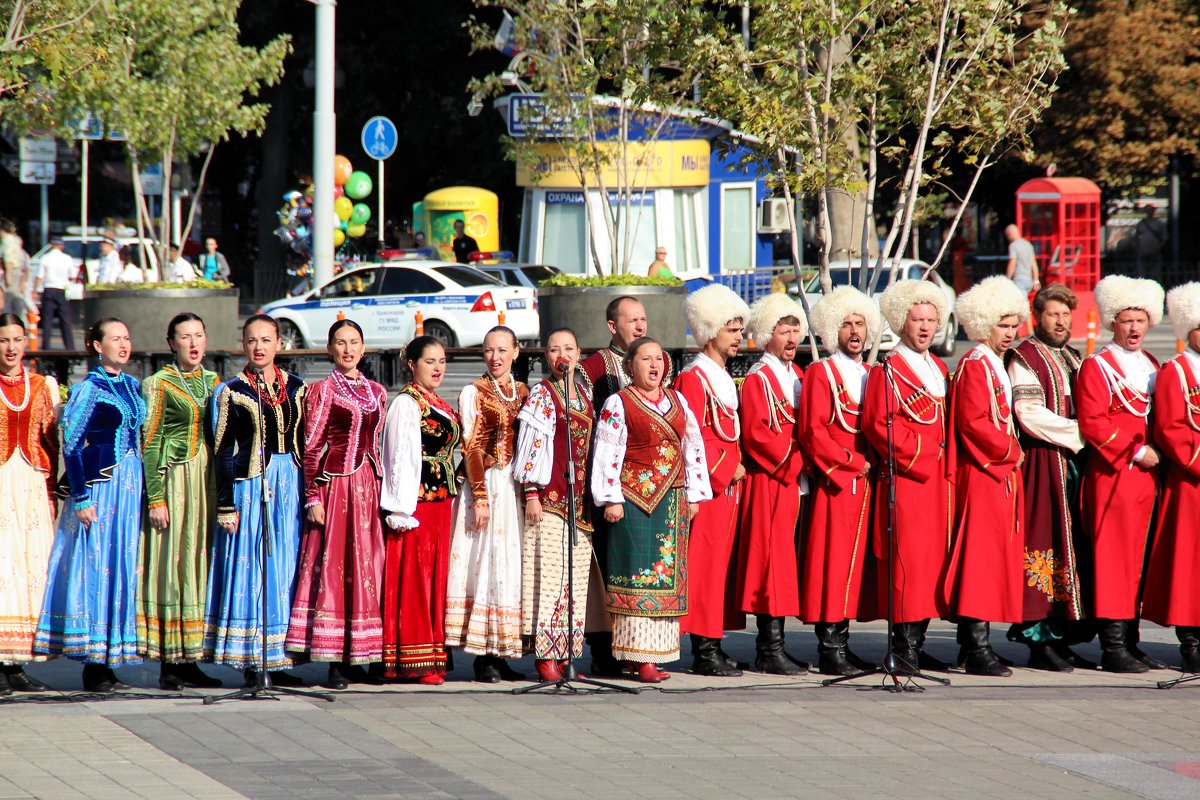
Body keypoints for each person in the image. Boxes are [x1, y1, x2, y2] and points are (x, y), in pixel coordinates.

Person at [35, 318, 146, 692]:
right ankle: (92, 664)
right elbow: (71, 444)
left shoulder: (132, 386)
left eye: (126, 337)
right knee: (98, 566)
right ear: (97, 345)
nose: (123, 344)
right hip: (102, 487)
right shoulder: (89, 388)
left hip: (129, 487)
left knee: (120, 568)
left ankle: (111, 658)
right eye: (115, 338)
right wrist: (80, 496)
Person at [591, 337, 711, 682]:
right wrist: (610, 497)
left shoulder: (678, 401)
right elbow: (607, 451)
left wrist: (694, 494)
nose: (654, 365)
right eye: (646, 359)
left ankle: (653, 654)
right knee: (636, 579)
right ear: (631, 366)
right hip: (633, 502)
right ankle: (636, 658)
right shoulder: (619, 403)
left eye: (659, 359)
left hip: (671, 502)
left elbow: (693, 446)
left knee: (664, 578)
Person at [205, 314, 307, 687]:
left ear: (279, 343)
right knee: (255, 567)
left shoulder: (296, 387)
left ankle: (281, 658)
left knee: (285, 565)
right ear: (244, 345)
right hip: (252, 485)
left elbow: (306, 444)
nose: (259, 347)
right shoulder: (231, 390)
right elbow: (222, 451)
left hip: (290, 484)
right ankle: (252, 660)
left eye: (266, 339)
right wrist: (225, 504)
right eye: (252, 340)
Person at [285, 319, 388, 690]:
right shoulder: (323, 390)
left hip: (368, 488)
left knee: (366, 568)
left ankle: (359, 654)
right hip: (337, 486)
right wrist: (312, 496)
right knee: (335, 567)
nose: (347, 349)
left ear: (363, 348)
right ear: (330, 349)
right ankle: (335, 662)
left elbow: (377, 445)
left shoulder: (377, 391)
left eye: (354, 342)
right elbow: (311, 447)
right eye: (340, 343)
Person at [578, 295, 673, 676]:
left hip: (649, 491)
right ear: (612, 326)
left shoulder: (654, 362)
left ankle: (637, 649)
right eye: (631, 320)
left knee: (639, 567)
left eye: (643, 319)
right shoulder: (593, 368)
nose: (640, 326)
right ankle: (604, 649)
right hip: (607, 486)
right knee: (606, 569)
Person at [1075, 275, 1165, 673]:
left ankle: (1131, 639)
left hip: (1146, 478)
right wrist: (1134, 450)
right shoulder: (1097, 365)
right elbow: (1092, 422)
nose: (1134, 328)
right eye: (1127, 320)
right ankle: (1112, 647)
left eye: (1141, 320)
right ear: (1112, 321)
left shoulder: (1151, 364)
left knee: (1139, 561)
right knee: (1114, 561)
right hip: (1114, 475)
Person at [863, 280, 953, 673]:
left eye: (931, 320)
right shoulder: (888, 369)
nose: (925, 327)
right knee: (907, 566)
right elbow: (878, 425)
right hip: (908, 480)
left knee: (931, 564)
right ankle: (901, 647)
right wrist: (925, 453)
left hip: (937, 485)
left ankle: (917, 641)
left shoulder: (938, 367)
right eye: (918, 319)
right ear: (902, 322)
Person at [941, 277, 1030, 677]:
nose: (1009, 333)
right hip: (984, 474)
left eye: (1013, 325)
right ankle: (975, 646)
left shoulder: (994, 362)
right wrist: (1011, 452)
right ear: (982, 325)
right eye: (1002, 325)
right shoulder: (976, 364)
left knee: (994, 559)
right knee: (980, 558)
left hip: (997, 474)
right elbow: (973, 422)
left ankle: (976, 643)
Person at [1006, 284, 1092, 672]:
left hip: (1074, 466)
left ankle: (1063, 633)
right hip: (1044, 464)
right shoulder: (1023, 357)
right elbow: (1028, 412)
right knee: (1045, 544)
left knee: (1073, 545)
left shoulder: (1073, 356)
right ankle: (1038, 638)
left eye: (1065, 315)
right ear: (1036, 316)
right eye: (1053, 314)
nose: (1061, 322)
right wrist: (1082, 434)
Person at [137, 313, 224, 690]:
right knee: (172, 559)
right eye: (185, 337)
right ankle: (169, 661)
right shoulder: (158, 383)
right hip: (175, 478)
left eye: (199, 336)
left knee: (197, 559)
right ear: (170, 342)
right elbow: (151, 439)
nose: (193, 343)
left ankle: (192, 656)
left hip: (205, 479)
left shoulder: (214, 381)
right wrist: (155, 497)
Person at [799, 287, 881, 676]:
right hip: (839, 482)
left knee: (854, 564)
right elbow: (813, 431)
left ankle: (843, 643)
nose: (854, 330)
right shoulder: (821, 372)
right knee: (832, 562)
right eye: (846, 323)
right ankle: (829, 647)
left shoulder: (871, 373)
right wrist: (849, 462)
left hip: (866, 483)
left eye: (860, 322)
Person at [675, 284, 751, 677]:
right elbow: (693, 435)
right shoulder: (694, 377)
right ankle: (704, 650)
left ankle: (715, 643)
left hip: (726, 489)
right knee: (704, 567)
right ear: (710, 330)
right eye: (732, 329)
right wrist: (727, 467)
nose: (740, 336)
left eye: (739, 329)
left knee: (719, 567)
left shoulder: (718, 374)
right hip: (709, 488)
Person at [445, 326, 528, 683]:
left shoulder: (523, 392)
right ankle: (483, 657)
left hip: (513, 487)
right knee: (486, 560)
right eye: (489, 350)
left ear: (516, 352)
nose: (495, 357)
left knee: (508, 564)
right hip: (488, 485)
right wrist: (479, 496)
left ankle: (501, 649)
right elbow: (471, 446)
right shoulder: (473, 392)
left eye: (501, 350)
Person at [514, 328, 595, 682]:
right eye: (554, 349)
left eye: (568, 348)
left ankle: (566, 652)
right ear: (547, 356)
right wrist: (531, 492)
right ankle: (546, 654)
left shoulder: (584, 394)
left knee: (573, 583)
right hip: (549, 502)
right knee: (549, 581)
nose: (562, 354)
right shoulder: (543, 395)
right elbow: (531, 445)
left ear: (578, 354)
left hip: (579, 506)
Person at [735, 293, 809, 675]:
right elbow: (759, 435)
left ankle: (776, 645)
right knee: (771, 564)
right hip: (772, 480)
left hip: (792, 481)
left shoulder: (795, 375)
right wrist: (800, 458)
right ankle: (768, 649)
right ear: (768, 335)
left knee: (784, 563)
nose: (792, 336)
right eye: (784, 329)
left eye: (796, 328)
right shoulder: (758, 379)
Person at [380, 336, 460, 684]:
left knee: (435, 579)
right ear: (411, 364)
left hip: (441, 502)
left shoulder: (435, 400)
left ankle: (432, 655)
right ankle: (414, 656)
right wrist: (400, 508)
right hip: (417, 504)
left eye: (442, 361)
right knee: (416, 577)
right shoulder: (406, 404)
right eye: (430, 361)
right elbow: (398, 457)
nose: (438, 367)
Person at [1142, 282, 1200, 672]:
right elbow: (1171, 428)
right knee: (1189, 566)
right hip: (1192, 485)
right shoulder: (1174, 372)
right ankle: (1191, 640)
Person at [0, 314, 59, 694]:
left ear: (26, 342)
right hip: (2, 481)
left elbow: (53, 441)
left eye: (17, 340)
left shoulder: (42, 386)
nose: (10, 348)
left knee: (29, 566)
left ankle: (16, 662)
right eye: (4, 340)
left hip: (33, 481)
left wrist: (55, 491)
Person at [33, 237, 76, 349]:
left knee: (47, 320)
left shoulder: (45, 258)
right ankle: (69, 346)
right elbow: (72, 276)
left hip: (49, 289)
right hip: (62, 290)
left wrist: (35, 291)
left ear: (51, 245)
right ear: (62, 246)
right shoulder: (67, 258)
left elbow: (39, 277)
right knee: (65, 320)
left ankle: (45, 346)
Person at [1004, 224, 1039, 295]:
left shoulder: (1013, 246)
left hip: (1019, 280)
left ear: (1010, 234)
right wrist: (1036, 280)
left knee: (1020, 303)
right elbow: (1034, 265)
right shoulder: (1028, 245)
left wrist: (1007, 279)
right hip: (1029, 281)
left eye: (1007, 236)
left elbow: (1012, 264)